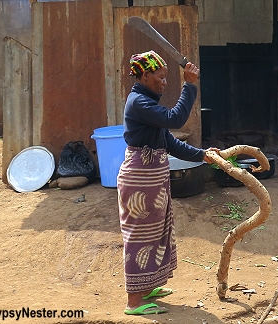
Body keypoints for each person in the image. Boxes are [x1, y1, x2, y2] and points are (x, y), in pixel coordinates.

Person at [117, 50, 217, 315]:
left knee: (157, 232)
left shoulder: (147, 103)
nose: (164, 82)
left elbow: (168, 142)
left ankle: (147, 287)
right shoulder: (139, 102)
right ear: (145, 76)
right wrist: (190, 85)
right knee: (139, 235)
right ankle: (134, 301)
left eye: (166, 77)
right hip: (141, 179)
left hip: (153, 178)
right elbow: (176, 120)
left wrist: (203, 155)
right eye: (160, 77)